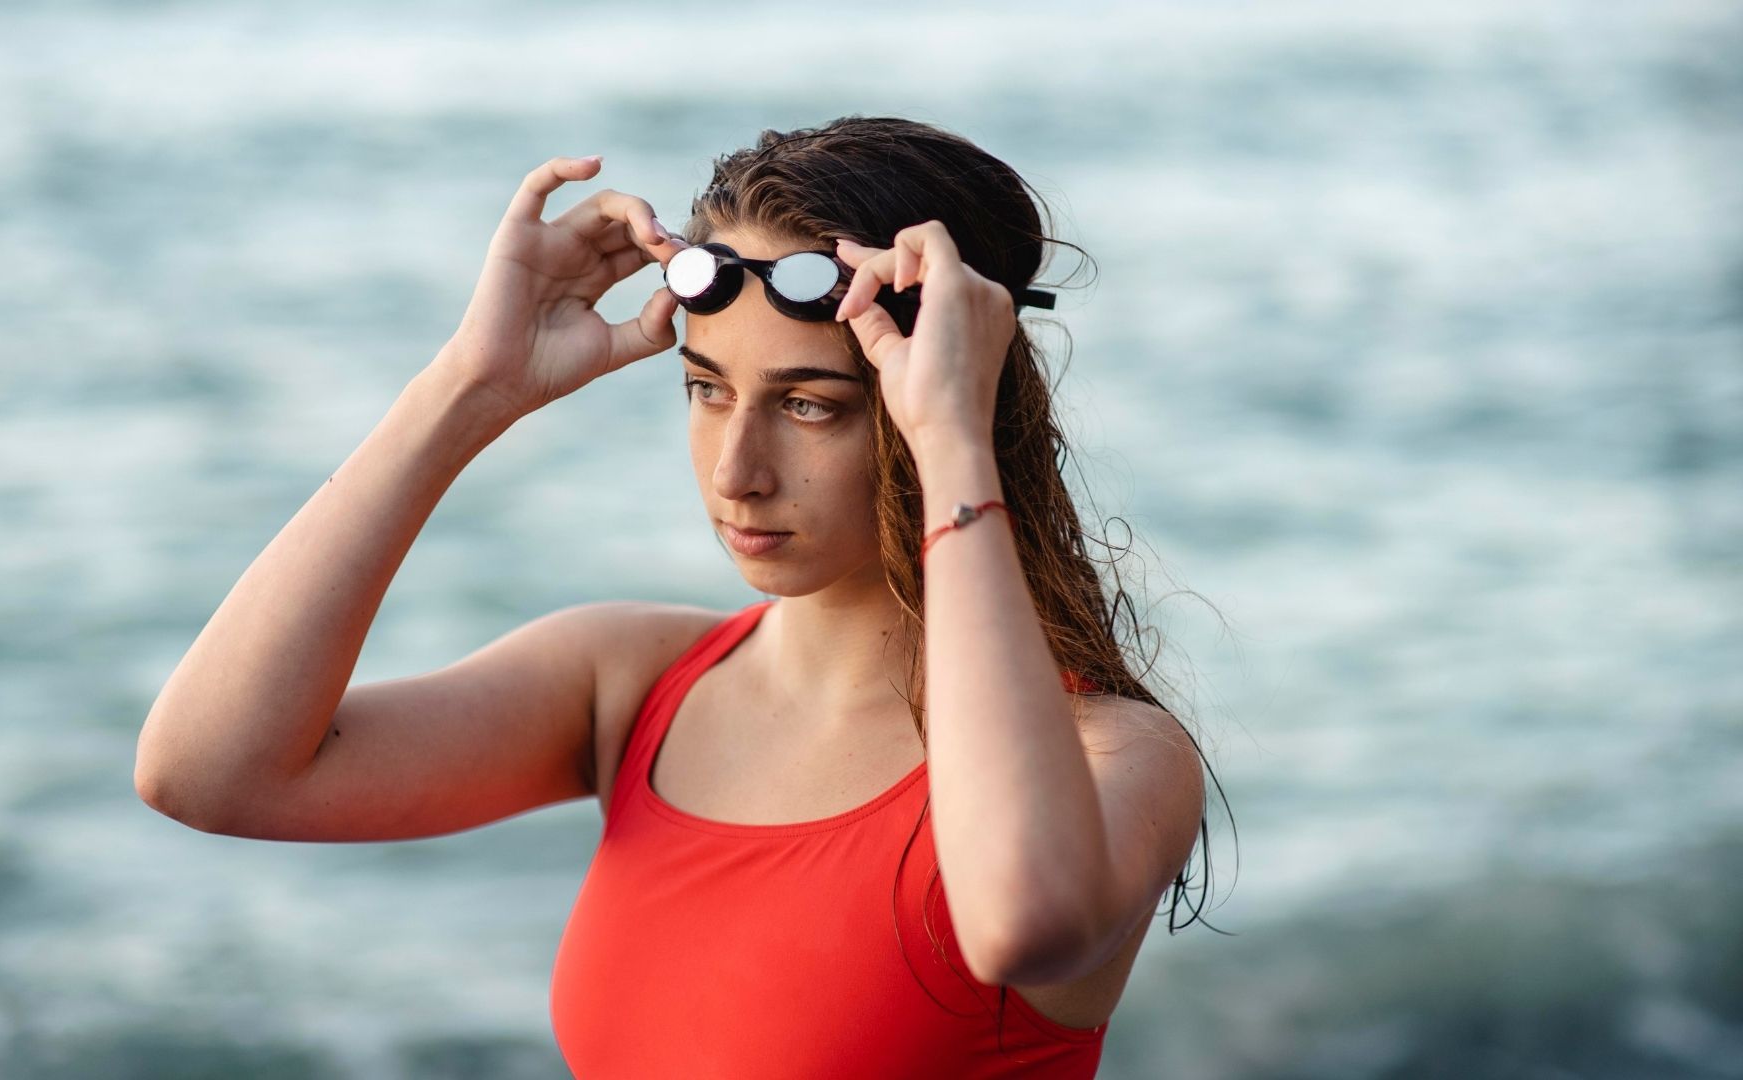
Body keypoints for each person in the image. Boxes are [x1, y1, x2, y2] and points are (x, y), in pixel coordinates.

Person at [134, 115, 1230, 1078]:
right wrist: (468, 390)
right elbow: (211, 775)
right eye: (707, 390)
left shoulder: (1115, 758)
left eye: (811, 406)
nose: (735, 470)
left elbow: (1021, 927)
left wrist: (954, 443)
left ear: (933, 392)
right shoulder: (629, 685)